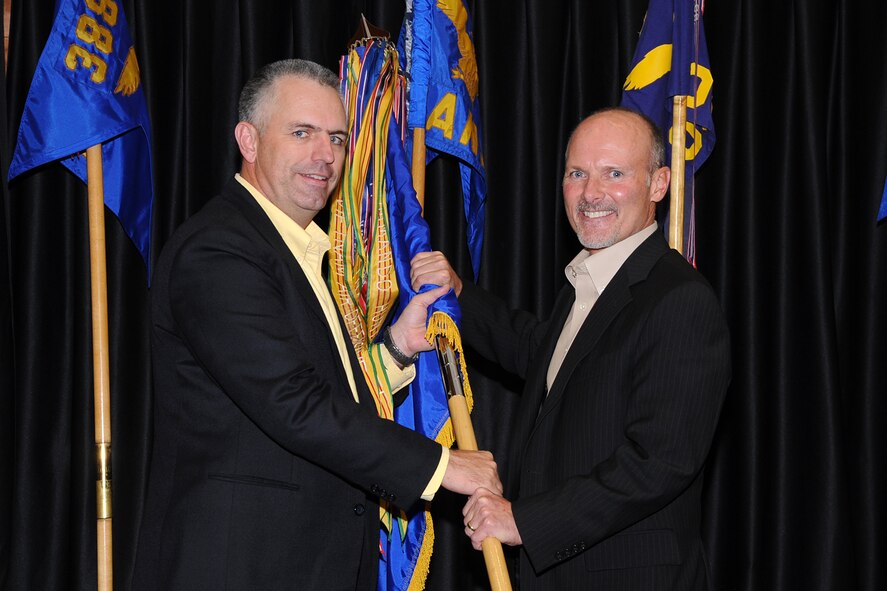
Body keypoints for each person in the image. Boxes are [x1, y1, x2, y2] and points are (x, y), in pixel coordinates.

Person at [132, 59, 501, 590]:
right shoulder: (218, 250)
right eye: (301, 133)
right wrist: (445, 466)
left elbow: (316, 391)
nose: (324, 156)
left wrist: (397, 348)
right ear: (249, 140)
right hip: (240, 568)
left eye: (337, 138)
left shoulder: (297, 251)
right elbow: (294, 403)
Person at [411, 107, 731, 590]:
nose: (591, 193)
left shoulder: (679, 299)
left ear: (659, 184)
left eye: (615, 174)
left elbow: (659, 462)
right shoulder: (586, 287)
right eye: (577, 173)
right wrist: (458, 293)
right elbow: (541, 352)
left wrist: (524, 521)